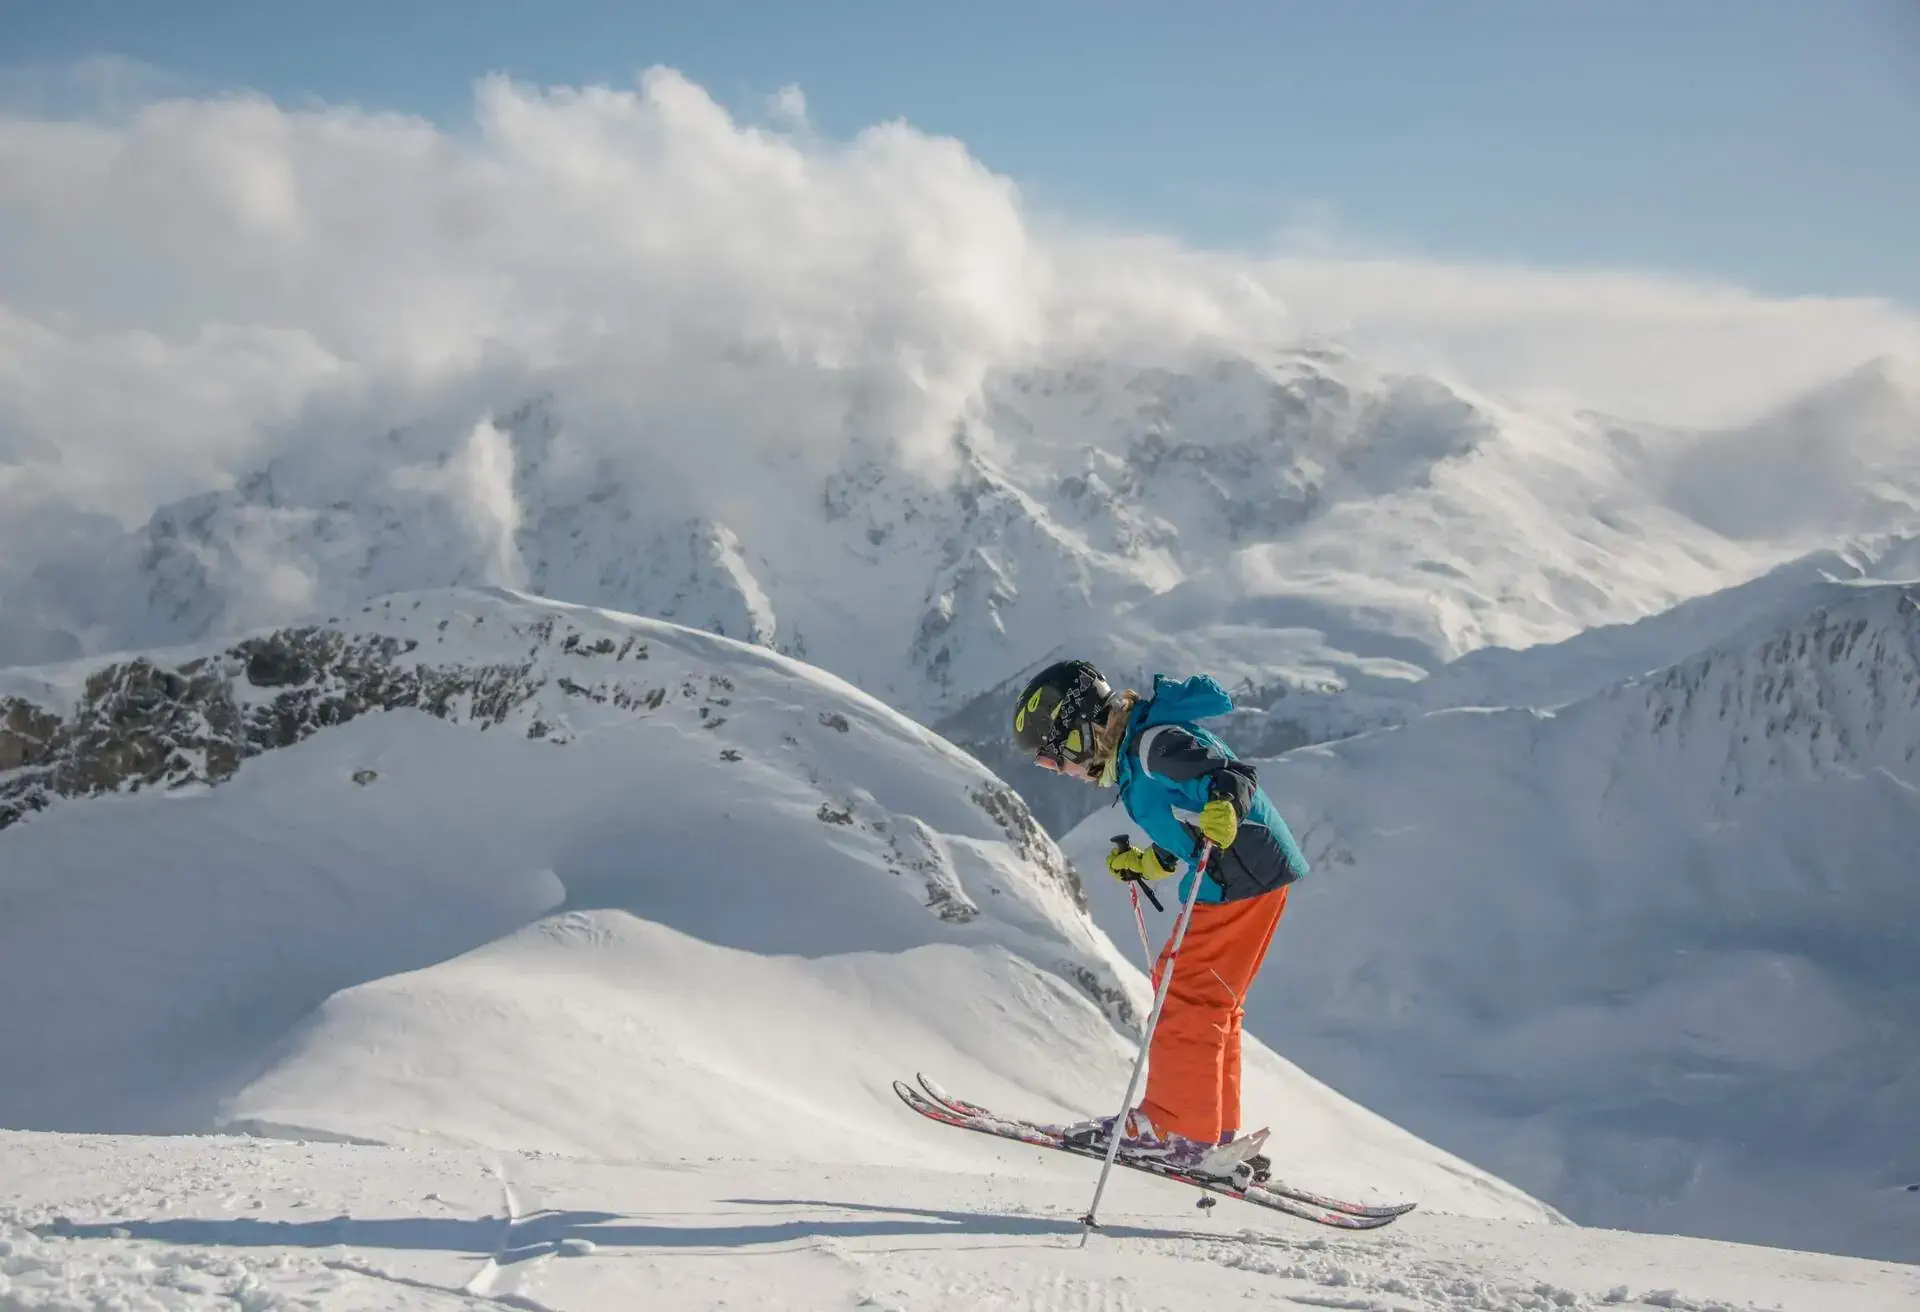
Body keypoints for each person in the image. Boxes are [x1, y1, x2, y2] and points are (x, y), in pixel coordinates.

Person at [1011, 658, 1307, 1176]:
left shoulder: (1153, 746)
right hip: (1244, 876)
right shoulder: (1138, 752)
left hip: (1239, 879)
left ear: (1078, 733)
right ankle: (1212, 1132)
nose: (1060, 771)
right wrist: (1153, 860)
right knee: (1209, 999)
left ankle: (1175, 1129)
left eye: (1056, 759)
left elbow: (1231, 778)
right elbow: (1191, 816)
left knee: (1186, 993)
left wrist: (1228, 807)